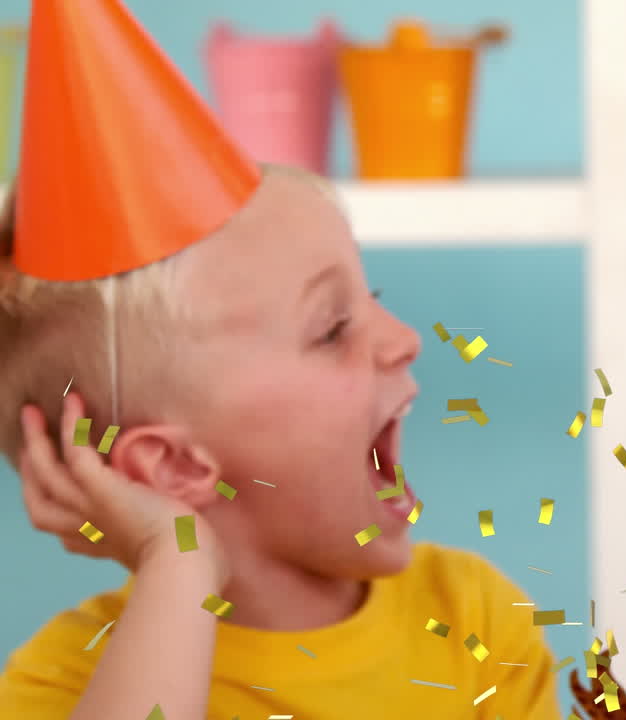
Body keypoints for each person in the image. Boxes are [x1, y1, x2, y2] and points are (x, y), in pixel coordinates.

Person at [0, 2, 558, 718]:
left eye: (372, 295)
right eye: (332, 328)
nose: (403, 338)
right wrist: (179, 562)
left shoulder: (474, 620)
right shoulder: (65, 683)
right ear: (174, 469)